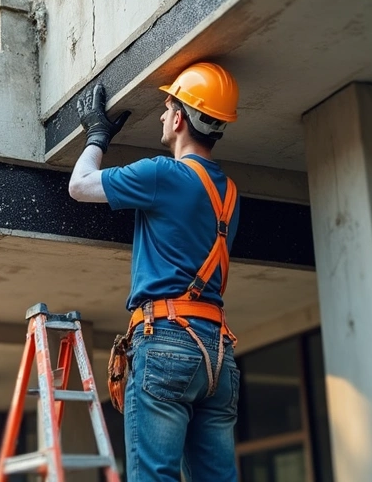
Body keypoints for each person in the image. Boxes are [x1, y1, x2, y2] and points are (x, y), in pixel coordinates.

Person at [67, 62, 242, 481]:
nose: (162, 116)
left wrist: (97, 135)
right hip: (218, 354)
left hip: (166, 341)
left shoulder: (164, 174)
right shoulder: (230, 194)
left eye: (167, 107)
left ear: (180, 119)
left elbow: (79, 185)